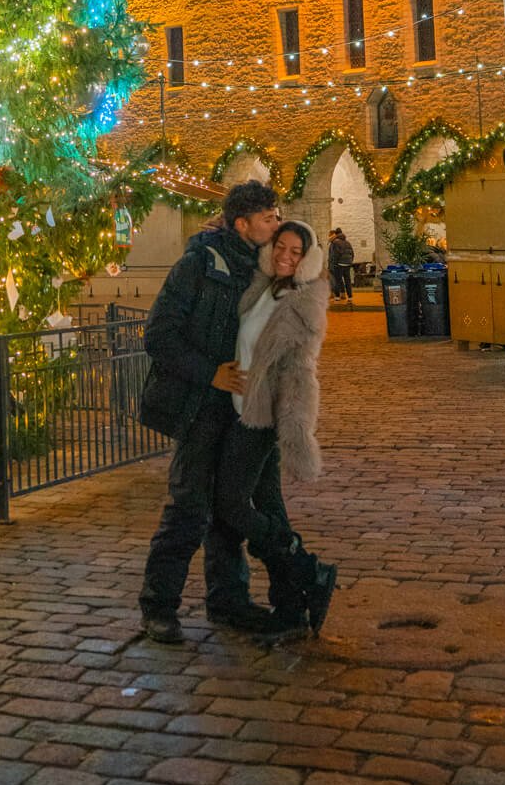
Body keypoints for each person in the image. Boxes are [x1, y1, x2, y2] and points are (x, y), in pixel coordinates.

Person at [138, 180, 293, 644]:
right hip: (202, 406)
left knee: (231, 510)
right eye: (268, 218)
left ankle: (229, 600)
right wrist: (211, 374)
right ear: (242, 224)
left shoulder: (267, 272)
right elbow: (159, 335)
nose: (276, 224)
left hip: (246, 412)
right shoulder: (200, 265)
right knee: (189, 508)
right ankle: (157, 606)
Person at [214, 220, 338, 635]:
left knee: (229, 504)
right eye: (280, 247)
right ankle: (290, 605)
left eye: (295, 251)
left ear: (308, 259)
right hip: (239, 407)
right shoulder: (262, 288)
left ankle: (305, 566)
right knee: (269, 508)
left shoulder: (303, 305)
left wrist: (297, 429)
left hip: (260, 417)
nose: (286, 256)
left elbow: (300, 373)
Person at [327, 227, 356, 305]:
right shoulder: (347, 242)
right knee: (347, 281)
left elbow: (334, 255)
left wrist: (334, 264)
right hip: (347, 263)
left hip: (339, 264)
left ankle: (337, 297)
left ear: (336, 234)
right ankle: (350, 297)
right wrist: (350, 262)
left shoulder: (335, 242)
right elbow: (352, 253)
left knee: (337, 281)